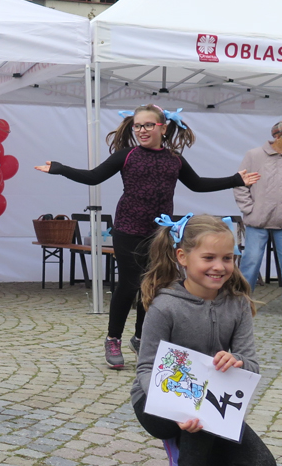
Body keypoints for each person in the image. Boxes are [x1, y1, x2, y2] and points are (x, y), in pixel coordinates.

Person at [34, 105, 258, 369]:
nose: (141, 130)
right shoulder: (126, 156)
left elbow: (197, 184)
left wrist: (235, 179)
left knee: (154, 285)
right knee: (129, 284)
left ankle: (142, 337)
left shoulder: (174, 160)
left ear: (162, 127)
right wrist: (60, 168)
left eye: (148, 125)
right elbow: (93, 177)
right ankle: (113, 338)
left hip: (160, 233)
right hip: (128, 228)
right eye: (137, 126)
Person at [133, 214, 277, 466]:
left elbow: (251, 365)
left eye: (228, 258)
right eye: (209, 257)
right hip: (155, 404)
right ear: (182, 258)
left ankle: (185, 451)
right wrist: (175, 406)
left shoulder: (237, 305)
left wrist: (236, 361)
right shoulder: (165, 306)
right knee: (202, 407)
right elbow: (145, 367)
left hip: (210, 403)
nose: (220, 266)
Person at [234, 120, 282, 317]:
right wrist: (249, 210)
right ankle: (240, 303)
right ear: (278, 137)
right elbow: (240, 185)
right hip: (258, 221)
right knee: (250, 262)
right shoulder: (254, 156)